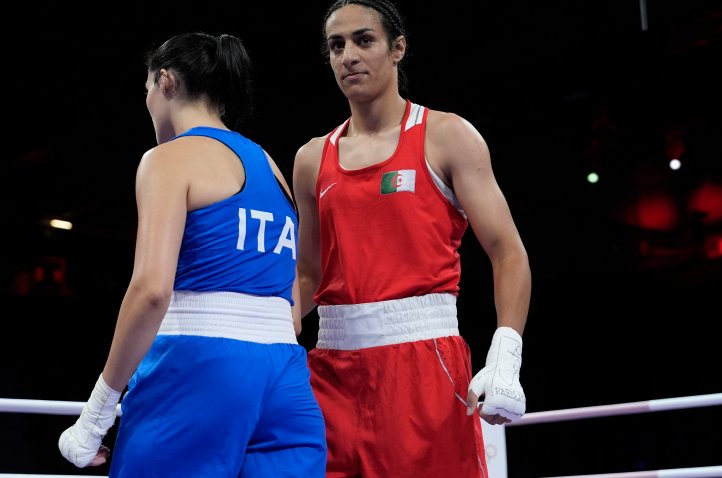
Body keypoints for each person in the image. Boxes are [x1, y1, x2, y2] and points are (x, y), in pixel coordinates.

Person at [58, 31, 327, 477]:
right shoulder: (269, 165)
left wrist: (97, 412)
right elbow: (293, 311)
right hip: (285, 378)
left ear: (165, 82)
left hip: (201, 369)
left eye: (146, 88)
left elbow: (150, 290)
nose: (147, 100)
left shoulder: (168, 159)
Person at [292, 1, 532, 476]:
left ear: (397, 48)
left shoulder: (446, 136)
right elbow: (308, 272)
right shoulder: (311, 158)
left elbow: (508, 253)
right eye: (336, 46)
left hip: (423, 365)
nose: (348, 57)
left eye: (364, 40)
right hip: (331, 371)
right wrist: (263, 335)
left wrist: (507, 354)